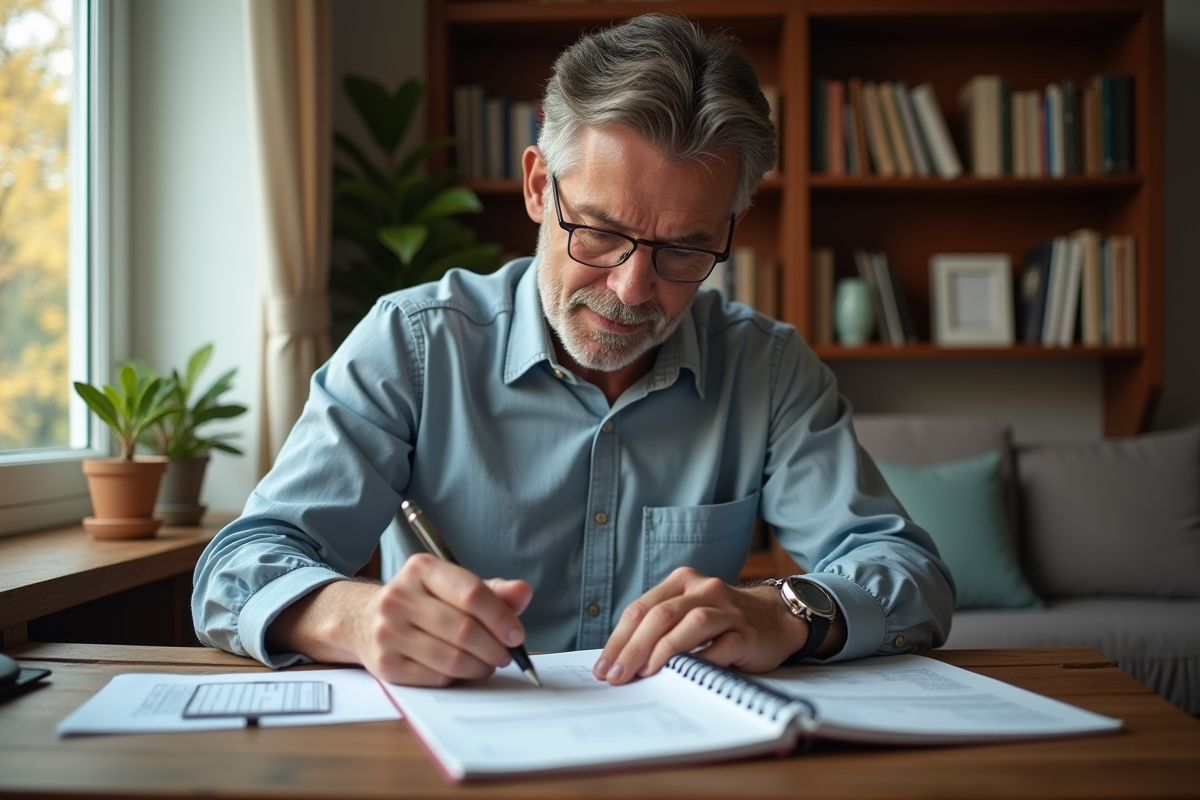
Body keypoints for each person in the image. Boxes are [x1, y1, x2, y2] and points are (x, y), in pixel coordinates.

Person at [193, 13, 954, 688]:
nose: (630, 290)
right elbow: (236, 568)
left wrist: (789, 610)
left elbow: (912, 574)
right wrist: (352, 618)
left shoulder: (769, 369)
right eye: (598, 232)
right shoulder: (412, 345)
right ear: (536, 186)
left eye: (685, 249)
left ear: (730, 227)